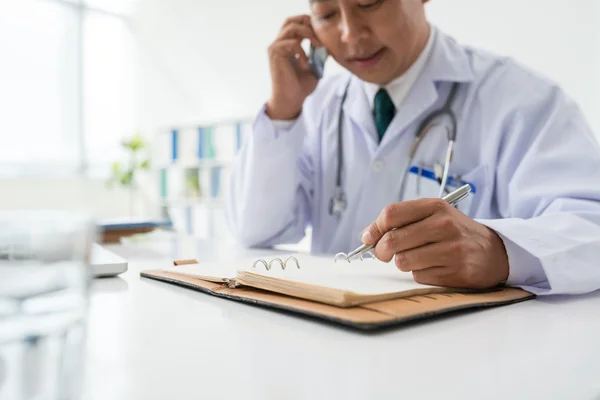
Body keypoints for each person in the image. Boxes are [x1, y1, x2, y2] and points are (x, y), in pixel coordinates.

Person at [225, 0, 600, 296]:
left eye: (369, 3)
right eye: (325, 14)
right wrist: (282, 111)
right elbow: (255, 232)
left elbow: (590, 227)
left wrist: (501, 252)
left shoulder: (522, 98)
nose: (351, 34)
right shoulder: (318, 106)